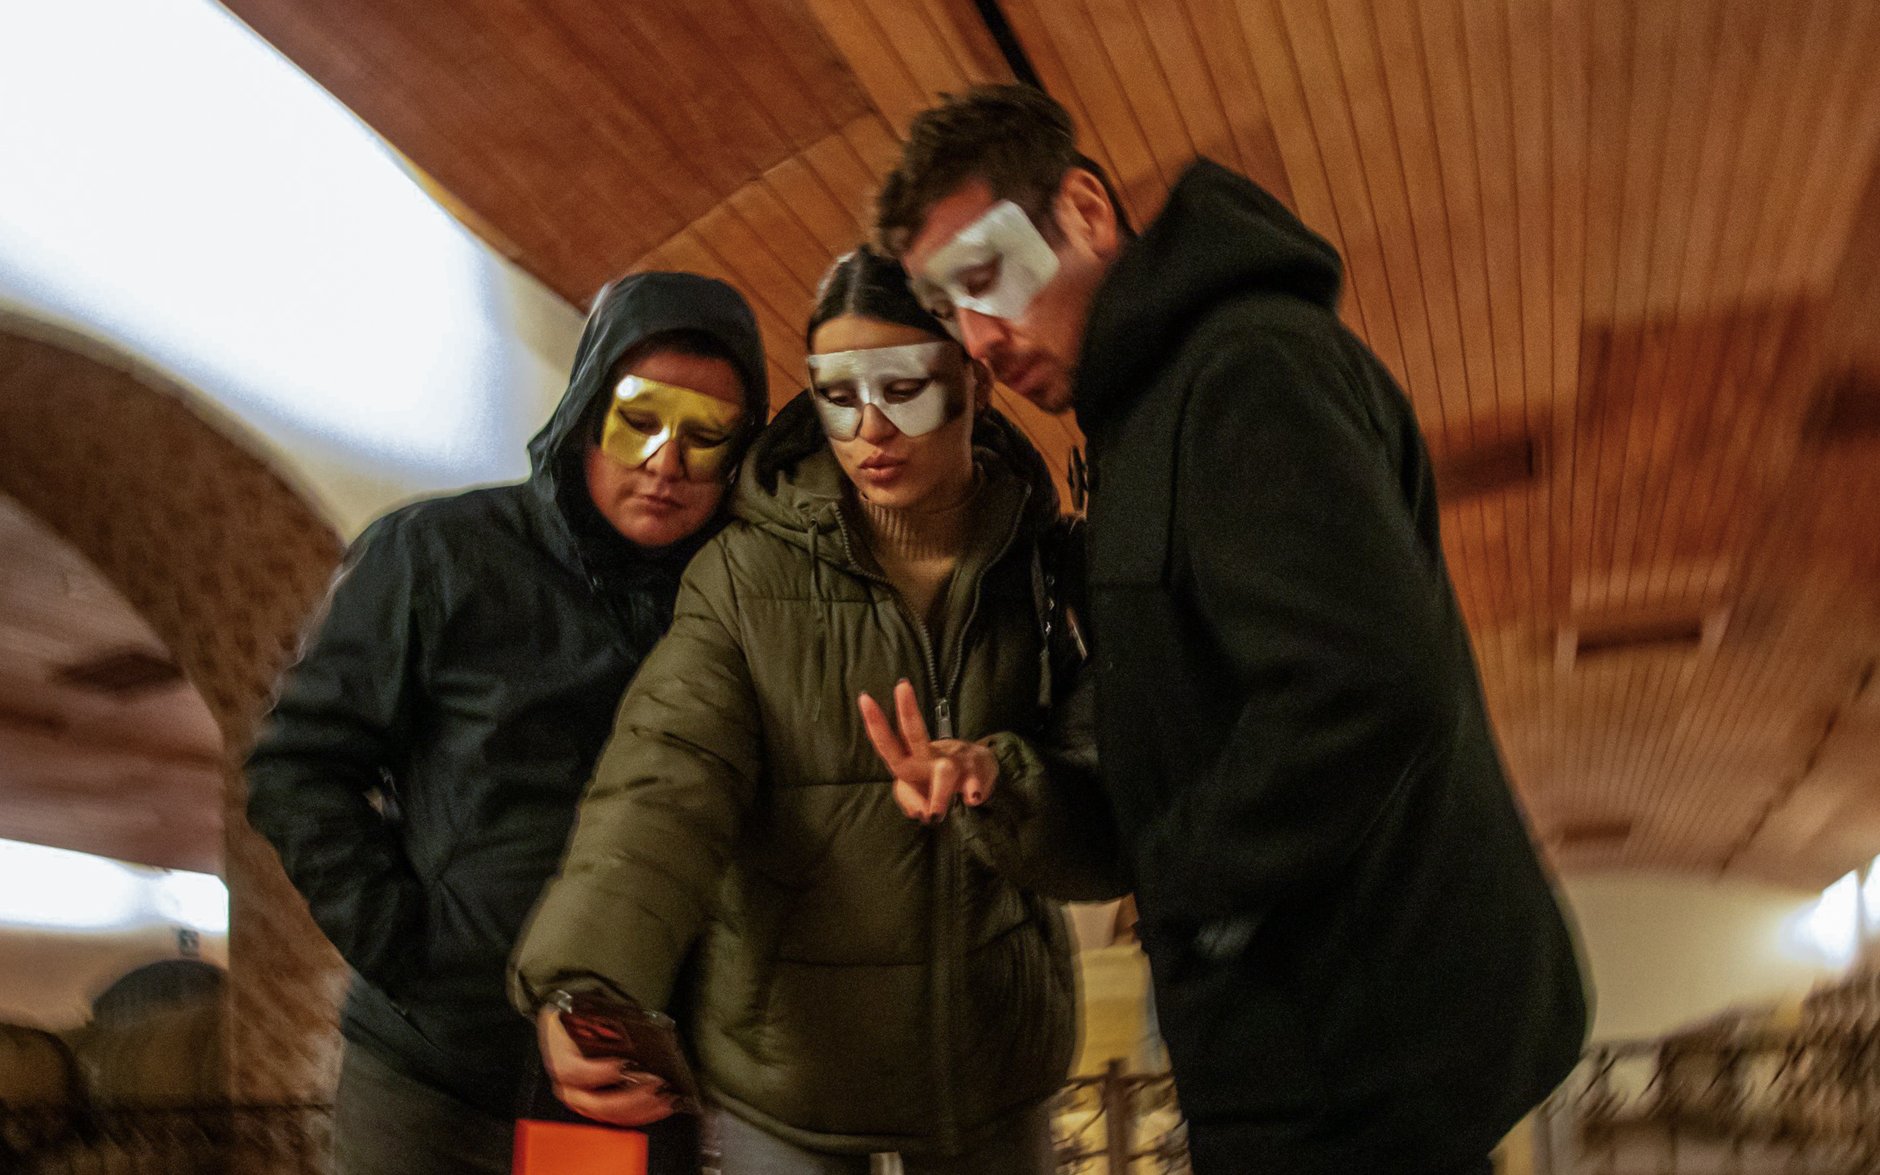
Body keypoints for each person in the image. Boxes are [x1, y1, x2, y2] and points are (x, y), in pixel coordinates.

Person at [873, 84, 1589, 1175]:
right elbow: (1176, 720)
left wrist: (1178, 880)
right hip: (1293, 1039)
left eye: (985, 278)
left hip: (1358, 1050)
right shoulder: (1137, 420)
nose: (975, 338)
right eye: (944, 306)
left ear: (1082, 210)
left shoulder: (1246, 371)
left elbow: (1361, 685)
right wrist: (1002, 777)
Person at [511, 247, 1124, 1174]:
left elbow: (1101, 814)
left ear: (975, 385)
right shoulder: (744, 576)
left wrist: (1001, 781)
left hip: (988, 1066)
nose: (869, 425)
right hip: (791, 1074)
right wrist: (586, 979)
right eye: (838, 392)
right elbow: (664, 778)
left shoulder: (1040, 568)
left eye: (905, 386)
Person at [245, 272, 768, 1175]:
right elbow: (298, 769)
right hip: (430, 1078)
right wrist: (419, 958)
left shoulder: (738, 601)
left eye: (707, 433)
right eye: (640, 417)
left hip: (623, 1078)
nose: (666, 461)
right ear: (586, 407)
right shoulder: (437, 555)